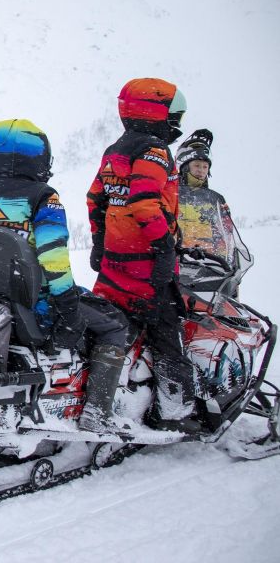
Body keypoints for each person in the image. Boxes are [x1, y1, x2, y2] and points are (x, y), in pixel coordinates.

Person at [0, 119, 130, 434]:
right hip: (39, 309)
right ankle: (97, 412)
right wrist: (68, 310)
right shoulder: (43, 198)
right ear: (38, 157)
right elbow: (53, 259)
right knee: (115, 326)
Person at [86, 78, 202, 434]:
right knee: (168, 339)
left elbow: (97, 199)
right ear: (156, 113)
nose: (176, 122)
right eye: (174, 114)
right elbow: (144, 202)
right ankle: (175, 411)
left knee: (116, 332)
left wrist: (100, 242)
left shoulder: (114, 150)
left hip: (114, 266)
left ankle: (106, 396)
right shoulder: (154, 151)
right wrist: (165, 247)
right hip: (147, 268)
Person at [176, 129, 237, 264]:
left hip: (208, 264)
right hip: (176, 261)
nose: (201, 170)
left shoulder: (216, 200)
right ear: (185, 167)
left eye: (205, 167)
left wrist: (225, 264)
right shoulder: (172, 194)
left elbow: (225, 235)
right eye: (196, 165)